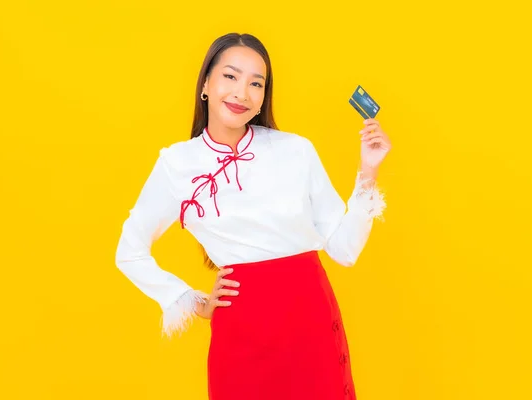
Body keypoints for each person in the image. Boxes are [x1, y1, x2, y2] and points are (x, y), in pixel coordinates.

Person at [114, 32, 391, 400]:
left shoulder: (295, 150)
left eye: (255, 83)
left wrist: (368, 171)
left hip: (311, 326)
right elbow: (129, 251)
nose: (242, 92)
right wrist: (195, 302)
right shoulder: (176, 165)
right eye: (230, 76)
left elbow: (345, 250)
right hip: (241, 334)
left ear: (263, 97)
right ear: (206, 85)